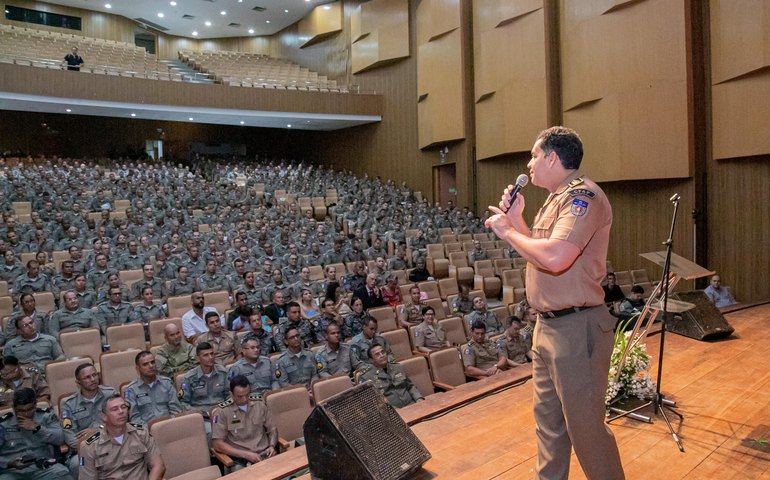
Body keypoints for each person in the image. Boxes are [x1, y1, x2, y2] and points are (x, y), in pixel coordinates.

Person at [484, 126, 624, 479]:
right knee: (549, 429)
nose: (529, 164)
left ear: (552, 157)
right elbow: (541, 254)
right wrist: (517, 218)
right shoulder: (555, 199)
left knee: (586, 433)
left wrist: (508, 231)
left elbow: (559, 257)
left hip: (577, 328)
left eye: (533, 156)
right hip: (547, 326)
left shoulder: (584, 197)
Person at [78, 394, 164, 480]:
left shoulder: (141, 433)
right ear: (104, 417)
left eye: (123, 407)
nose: (121, 411)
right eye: (114, 409)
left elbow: (158, 464)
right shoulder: (89, 446)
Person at [0, 387, 73, 480]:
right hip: (13, 471)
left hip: (42, 467)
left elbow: (60, 439)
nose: (26, 414)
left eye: (30, 409)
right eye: (21, 411)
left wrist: (37, 428)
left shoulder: (46, 417)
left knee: (62, 474)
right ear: (14, 408)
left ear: (35, 405)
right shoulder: (3, 424)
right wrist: (9, 463)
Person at [211, 374, 277, 469]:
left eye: (247, 395)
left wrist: (272, 446)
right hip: (240, 460)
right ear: (231, 394)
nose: (245, 399)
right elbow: (217, 444)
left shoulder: (259, 404)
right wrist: (246, 455)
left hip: (264, 454)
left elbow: (272, 429)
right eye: (240, 396)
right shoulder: (222, 412)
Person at [123, 351, 183, 425]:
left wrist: (171, 424)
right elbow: (134, 419)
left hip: (170, 426)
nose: (151, 366)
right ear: (138, 369)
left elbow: (176, 410)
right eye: (145, 364)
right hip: (146, 432)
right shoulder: (131, 390)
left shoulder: (166, 383)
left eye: (153, 362)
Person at [60, 363, 115, 442]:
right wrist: (94, 449)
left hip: (111, 442)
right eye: (87, 377)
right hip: (85, 450)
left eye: (94, 375)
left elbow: (120, 422)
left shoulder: (110, 394)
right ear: (78, 382)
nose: (92, 379)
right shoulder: (68, 404)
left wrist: (98, 429)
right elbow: (71, 438)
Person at [358, 344, 422, 408]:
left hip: (412, 405)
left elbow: (410, 386)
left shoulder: (397, 367)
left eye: (383, 352)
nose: (382, 355)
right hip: (392, 413)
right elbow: (374, 402)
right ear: (371, 360)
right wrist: (393, 411)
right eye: (377, 354)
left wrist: (419, 398)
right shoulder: (366, 377)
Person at [179, 342, 229, 422]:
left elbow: (230, 395)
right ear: (198, 358)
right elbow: (182, 402)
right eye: (206, 355)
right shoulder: (189, 377)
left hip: (222, 413)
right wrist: (196, 412)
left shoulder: (223, 373)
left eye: (212, 354)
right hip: (202, 418)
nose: (210, 357)